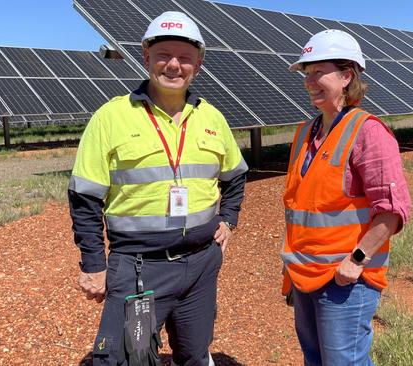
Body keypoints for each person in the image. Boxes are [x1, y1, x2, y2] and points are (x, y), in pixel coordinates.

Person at [68, 11, 247, 366]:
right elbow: (84, 197)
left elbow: (235, 175)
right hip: (139, 271)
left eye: (185, 57)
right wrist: (93, 263)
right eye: (164, 54)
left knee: (195, 354)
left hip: (200, 266)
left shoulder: (212, 117)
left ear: (198, 63)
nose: (174, 65)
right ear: (146, 56)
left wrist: (228, 218)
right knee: (128, 359)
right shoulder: (111, 117)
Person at [281, 29, 412, 365]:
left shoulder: (368, 132)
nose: (309, 81)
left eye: (317, 72)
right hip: (303, 276)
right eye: (306, 73)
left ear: (346, 76)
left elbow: (393, 211)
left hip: (345, 281)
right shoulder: (302, 133)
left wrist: (355, 260)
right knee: (314, 359)